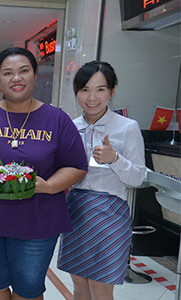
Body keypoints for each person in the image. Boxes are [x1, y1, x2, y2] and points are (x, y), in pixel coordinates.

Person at [0, 47, 88, 300]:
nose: (16, 78)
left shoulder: (57, 119)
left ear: (35, 75)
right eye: (8, 73)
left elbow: (76, 165)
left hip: (38, 220)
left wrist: (48, 186)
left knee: (28, 290)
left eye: (23, 71)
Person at [57, 61, 146, 300]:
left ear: (112, 90)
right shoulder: (70, 127)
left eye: (100, 89)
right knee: (79, 284)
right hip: (76, 209)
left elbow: (138, 177)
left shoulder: (127, 127)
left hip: (110, 212)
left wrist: (114, 158)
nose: (92, 97)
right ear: (76, 92)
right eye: (85, 89)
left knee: (102, 286)